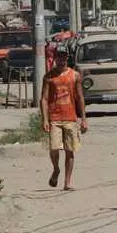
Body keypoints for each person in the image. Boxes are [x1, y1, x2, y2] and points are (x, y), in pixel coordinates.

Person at [40, 45, 88, 191]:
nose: (61, 59)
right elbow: (44, 99)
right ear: (55, 58)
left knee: (70, 150)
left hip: (70, 117)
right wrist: (45, 119)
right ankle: (56, 169)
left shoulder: (75, 75)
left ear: (67, 57)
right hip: (54, 117)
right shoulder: (49, 77)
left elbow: (80, 97)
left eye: (64, 56)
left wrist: (84, 118)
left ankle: (67, 182)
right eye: (59, 57)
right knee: (54, 148)